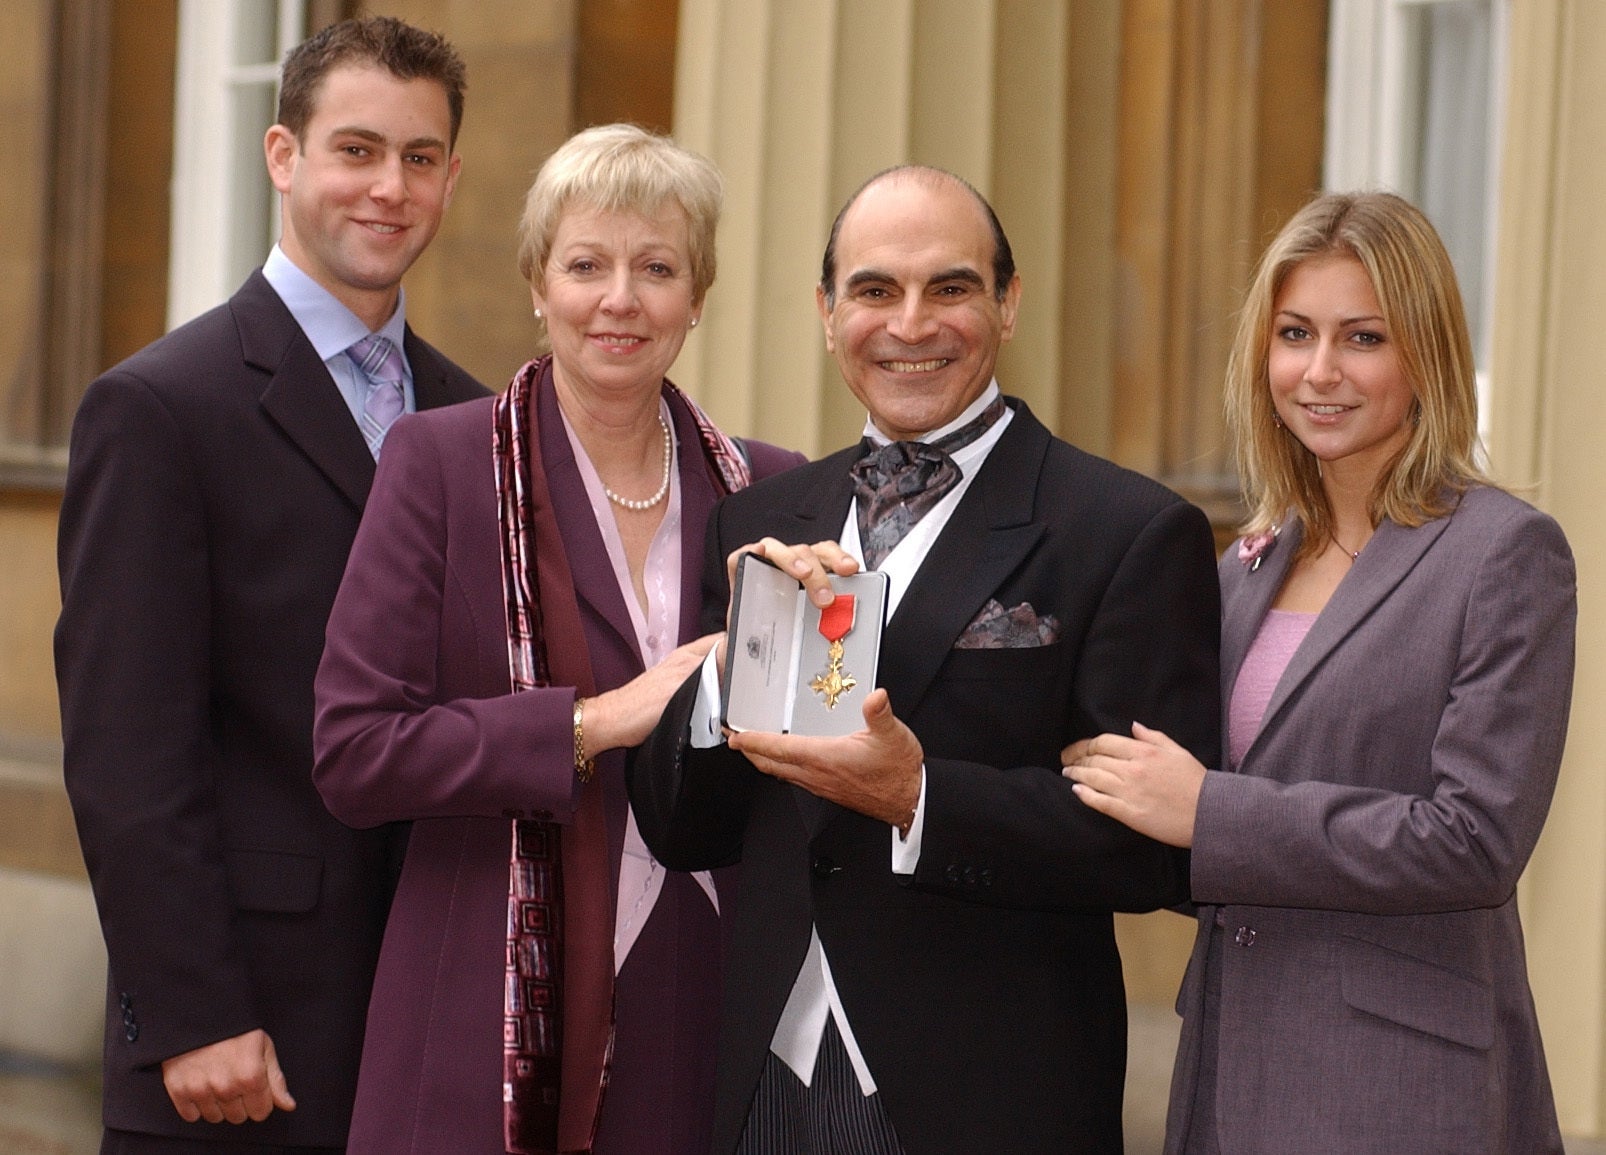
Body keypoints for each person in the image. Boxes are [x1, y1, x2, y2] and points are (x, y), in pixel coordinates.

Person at [628, 165, 1221, 1154]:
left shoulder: (1127, 531)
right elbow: (684, 826)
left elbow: (1152, 851)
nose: (910, 324)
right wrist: (728, 673)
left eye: (949, 288)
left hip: (988, 1093)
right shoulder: (763, 523)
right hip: (762, 1081)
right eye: (873, 290)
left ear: (1007, 303)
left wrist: (918, 796)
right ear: (826, 313)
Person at [311, 123, 804, 1155]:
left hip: (703, 1001)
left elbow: (802, 759)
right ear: (539, 284)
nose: (619, 299)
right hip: (484, 1012)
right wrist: (586, 725)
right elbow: (355, 752)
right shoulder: (438, 464)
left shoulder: (773, 488)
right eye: (586, 264)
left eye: (656, 268)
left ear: (696, 297)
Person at [53, 16, 486, 1155]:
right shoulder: (158, 407)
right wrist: (192, 1012)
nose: (389, 188)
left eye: (420, 157)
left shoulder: (476, 417)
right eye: (356, 150)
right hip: (244, 1038)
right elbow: (125, 746)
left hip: (431, 1010)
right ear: (282, 157)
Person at [1064, 191, 1576, 1153]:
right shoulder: (1248, 563)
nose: (1320, 371)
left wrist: (1207, 811)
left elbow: (1474, 839)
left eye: (1363, 337)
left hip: (1403, 1090)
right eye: (1294, 334)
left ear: (1425, 353)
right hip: (1229, 1069)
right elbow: (1192, 817)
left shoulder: (1506, 554)